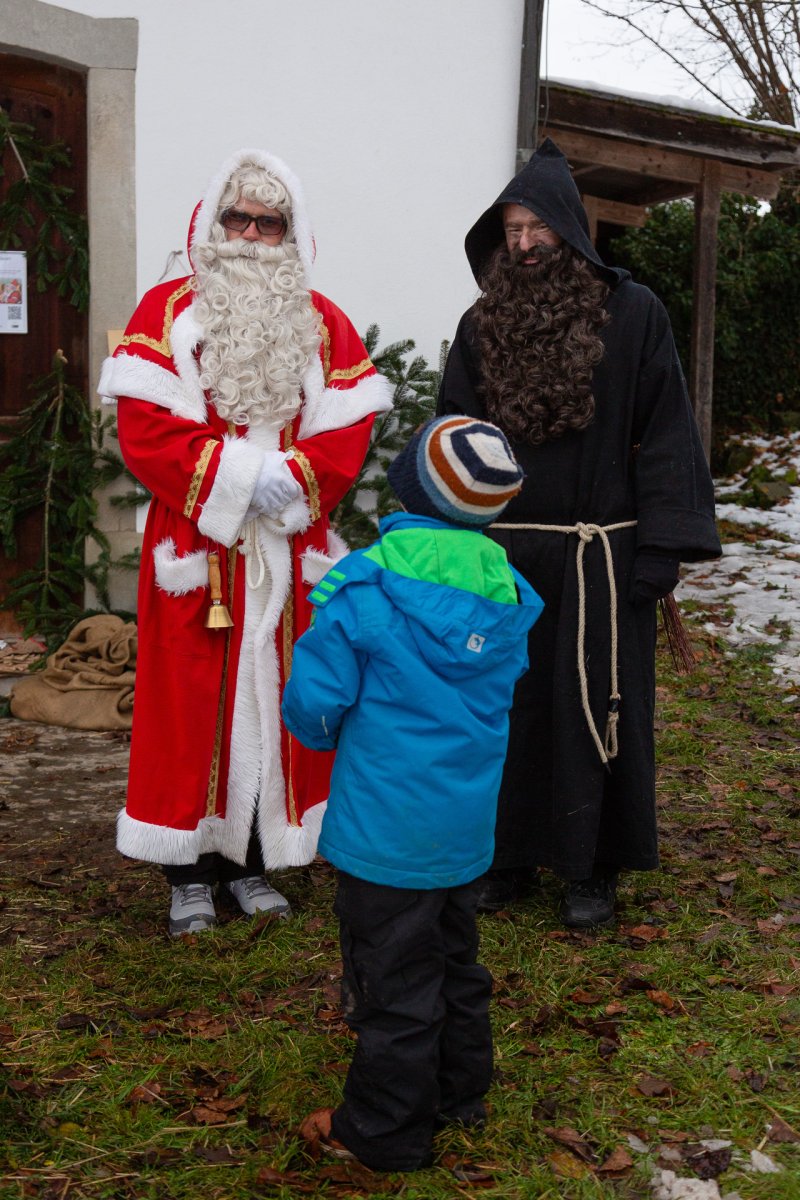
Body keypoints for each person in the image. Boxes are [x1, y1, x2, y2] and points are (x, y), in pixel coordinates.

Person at [98, 148, 392, 935]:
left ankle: (254, 863)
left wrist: (290, 482)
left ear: (291, 233)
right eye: (240, 219)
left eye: (271, 223)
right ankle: (188, 873)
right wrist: (233, 479)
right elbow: (145, 428)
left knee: (282, 698)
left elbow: (348, 428)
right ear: (213, 222)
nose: (253, 237)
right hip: (199, 545)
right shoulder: (167, 311)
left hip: (289, 542)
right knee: (191, 706)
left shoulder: (322, 321)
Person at [437, 138, 722, 929]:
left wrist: (659, 549)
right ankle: (506, 857)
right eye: (512, 230)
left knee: (599, 707)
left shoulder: (635, 315)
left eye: (538, 227)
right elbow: (453, 435)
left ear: (569, 228)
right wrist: (455, 543)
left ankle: (593, 867)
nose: (525, 244)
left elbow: (666, 431)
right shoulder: (480, 326)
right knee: (508, 708)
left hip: (603, 557)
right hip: (505, 556)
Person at [282, 416, 543, 1171]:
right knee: (454, 958)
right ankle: (459, 1094)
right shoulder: (505, 587)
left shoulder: (367, 584)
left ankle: (382, 1129)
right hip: (464, 824)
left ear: (410, 490)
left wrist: (322, 733)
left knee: (391, 979)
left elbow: (315, 701)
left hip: (385, 827)